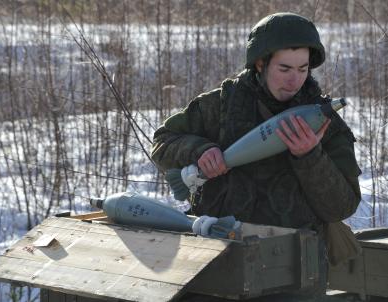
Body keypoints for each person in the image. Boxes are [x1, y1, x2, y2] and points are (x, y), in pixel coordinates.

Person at [151, 12, 361, 300]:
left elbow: (342, 207)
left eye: (302, 69)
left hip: (292, 271)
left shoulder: (326, 125)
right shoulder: (220, 106)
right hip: (215, 259)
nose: (294, 81)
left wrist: (310, 157)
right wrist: (200, 151)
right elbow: (162, 143)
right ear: (260, 64)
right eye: (284, 68)